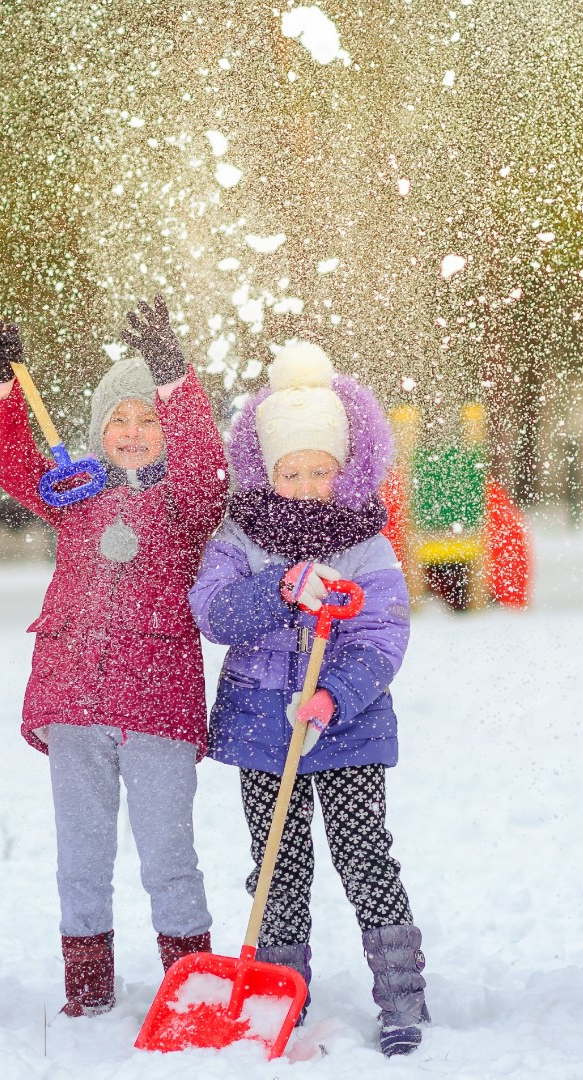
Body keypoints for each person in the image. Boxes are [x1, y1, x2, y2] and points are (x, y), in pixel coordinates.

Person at [0, 298, 227, 1017]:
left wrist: (176, 380)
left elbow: (208, 466)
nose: (134, 431)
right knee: (80, 857)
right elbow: (10, 461)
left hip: (157, 705)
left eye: (148, 419)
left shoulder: (187, 503)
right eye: (120, 418)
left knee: (168, 858)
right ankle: (86, 991)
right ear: (96, 431)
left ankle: (195, 987)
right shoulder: (73, 494)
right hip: (74, 701)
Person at [188, 341, 429, 1056]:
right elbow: (213, 613)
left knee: (364, 856)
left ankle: (401, 999)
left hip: (346, 731)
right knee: (276, 864)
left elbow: (384, 634)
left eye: (319, 470)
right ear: (266, 468)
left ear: (345, 467)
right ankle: (279, 992)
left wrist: (333, 696)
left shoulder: (366, 546)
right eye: (289, 470)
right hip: (263, 731)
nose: (303, 484)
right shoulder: (240, 535)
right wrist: (280, 587)